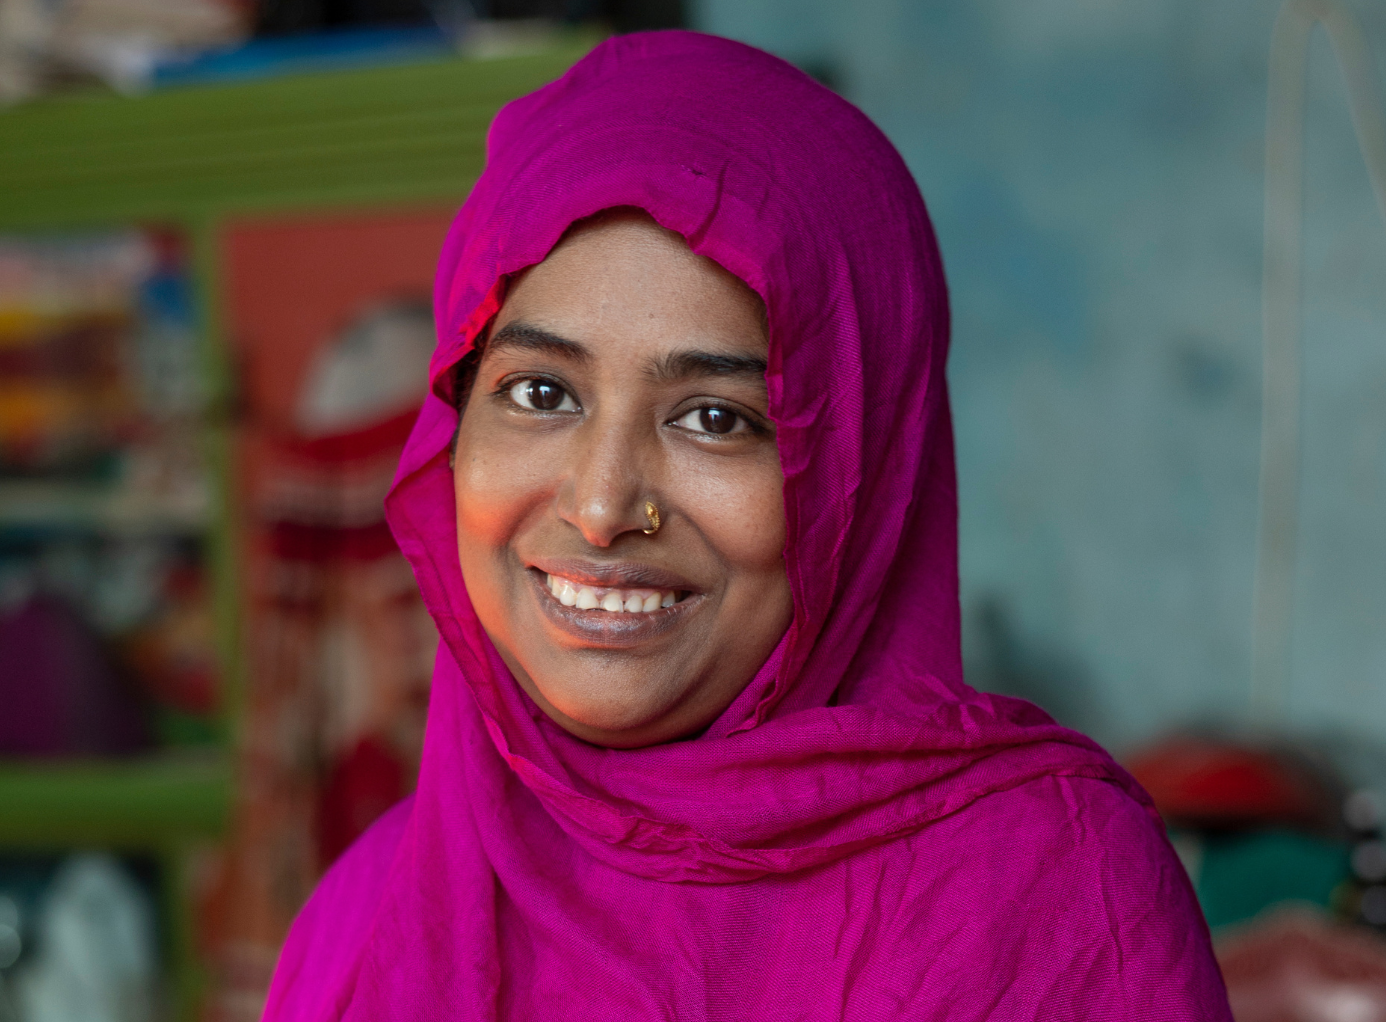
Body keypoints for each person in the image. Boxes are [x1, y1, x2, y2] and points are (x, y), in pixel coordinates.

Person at [262, 31, 1231, 1020]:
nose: (600, 508)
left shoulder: (1045, 902)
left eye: (717, 417)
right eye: (541, 391)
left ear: (860, 465)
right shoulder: (367, 912)